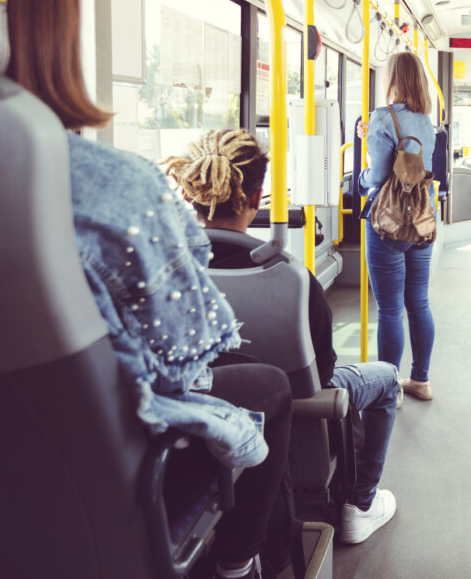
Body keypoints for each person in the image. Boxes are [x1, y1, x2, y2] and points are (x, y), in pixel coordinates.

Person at [0, 0, 292, 579]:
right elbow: (188, 367)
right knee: (265, 387)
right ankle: (237, 565)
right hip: (79, 501)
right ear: (47, 26)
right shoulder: (110, 191)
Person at [165, 129, 400, 544]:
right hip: (294, 411)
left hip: (190, 418)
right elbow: (322, 371)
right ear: (257, 201)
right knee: (385, 378)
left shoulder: (162, 271)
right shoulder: (291, 278)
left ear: (189, 195)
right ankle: (360, 505)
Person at [357, 51, 438, 400]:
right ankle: (420, 380)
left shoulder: (381, 117)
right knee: (418, 303)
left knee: (390, 309)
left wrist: (360, 178)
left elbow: (376, 175)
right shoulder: (427, 122)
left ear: (392, 80)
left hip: (388, 222)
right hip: (422, 220)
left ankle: (390, 389)